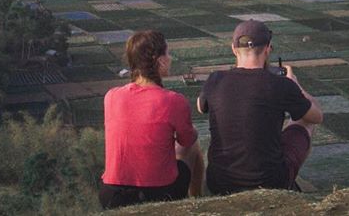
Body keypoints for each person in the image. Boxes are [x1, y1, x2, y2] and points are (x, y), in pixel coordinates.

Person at [197, 19, 324, 195]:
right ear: (267, 48)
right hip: (271, 183)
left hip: (219, 182)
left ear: (234, 49)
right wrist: (296, 86)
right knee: (305, 122)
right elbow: (317, 117)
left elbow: (200, 107)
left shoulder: (215, 80)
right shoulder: (281, 85)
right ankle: (288, 184)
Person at [99, 30, 204, 209]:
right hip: (160, 192)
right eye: (168, 53)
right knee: (192, 148)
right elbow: (187, 140)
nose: (170, 59)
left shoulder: (111, 97)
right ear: (160, 60)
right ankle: (198, 201)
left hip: (112, 195)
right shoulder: (173, 100)